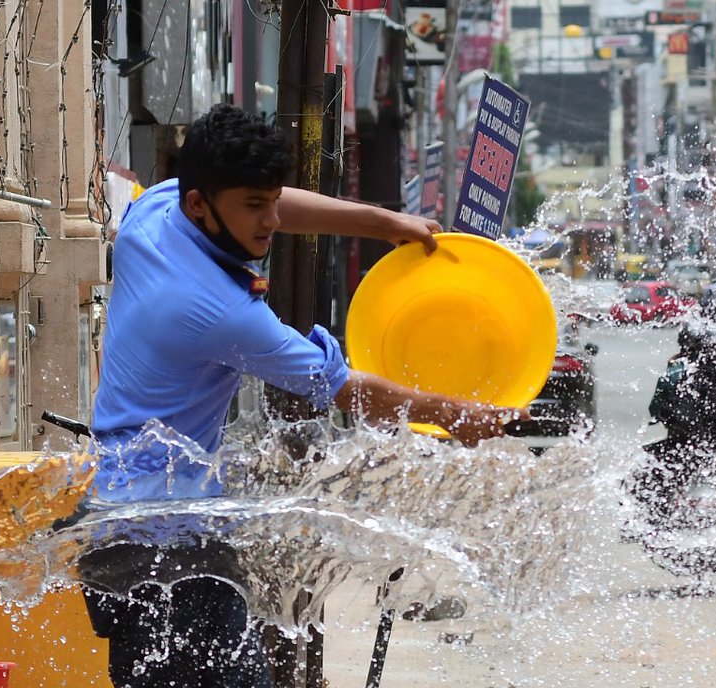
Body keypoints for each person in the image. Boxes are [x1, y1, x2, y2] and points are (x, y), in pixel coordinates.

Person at [78, 103, 524, 687]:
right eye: (254, 208)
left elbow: (275, 201)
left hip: (118, 522)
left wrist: (384, 224)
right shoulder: (215, 310)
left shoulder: (154, 211)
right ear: (200, 204)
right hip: (164, 546)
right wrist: (455, 415)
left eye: (271, 203)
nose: (269, 221)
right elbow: (344, 388)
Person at [637, 320, 716, 527]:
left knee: (641, 468)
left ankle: (648, 525)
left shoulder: (673, 372)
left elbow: (655, 410)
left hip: (682, 447)